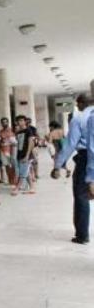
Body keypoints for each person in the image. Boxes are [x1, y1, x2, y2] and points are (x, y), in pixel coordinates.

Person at [52, 94, 94, 244]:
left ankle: (82, 235)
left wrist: (58, 165)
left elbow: (70, 144)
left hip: (86, 159)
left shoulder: (79, 119)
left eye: (78, 103)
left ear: (82, 103)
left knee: (81, 197)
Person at [12, 115, 37, 196]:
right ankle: (32, 188)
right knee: (26, 171)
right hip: (20, 153)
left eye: (22, 120)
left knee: (23, 172)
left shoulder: (28, 131)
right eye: (18, 121)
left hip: (26, 155)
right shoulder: (18, 132)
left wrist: (27, 155)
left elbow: (31, 143)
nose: (20, 122)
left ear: (25, 121)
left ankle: (17, 188)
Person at [0, 118, 17, 185]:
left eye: (6, 122)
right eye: (3, 122)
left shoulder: (12, 130)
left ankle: (14, 181)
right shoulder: (0, 132)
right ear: (1, 123)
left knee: (13, 166)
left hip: (12, 150)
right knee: (6, 166)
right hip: (3, 151)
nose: (4, 123)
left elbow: (15, 142)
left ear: (8, 122)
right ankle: (10, 181)